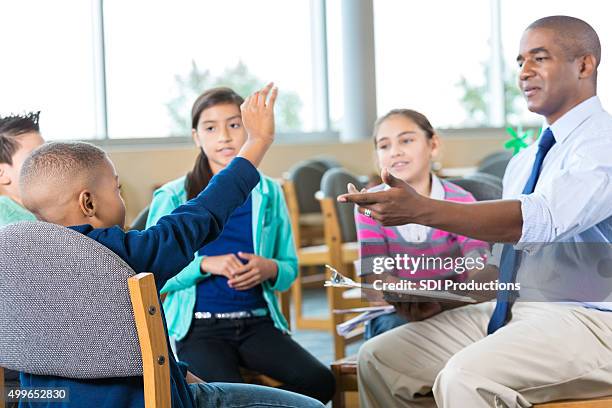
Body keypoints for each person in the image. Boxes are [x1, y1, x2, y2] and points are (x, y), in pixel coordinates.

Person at [339, 16, 612, 407]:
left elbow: (537, 219)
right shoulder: (525, 161)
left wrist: (423, 210)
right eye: (520, 62)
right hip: (520, 309)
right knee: (382, 358)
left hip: (591, 320)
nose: (524, 73)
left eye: (539, 58)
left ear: (584, 65)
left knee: (466, 377)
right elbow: (504, 265)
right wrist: (444, 295)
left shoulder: (603, 144)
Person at [17, 84, 324, 408]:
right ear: (88, 203)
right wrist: (258, 141)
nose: (121, 198)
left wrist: (182, 374)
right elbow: (204, 211)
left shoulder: (18, 259)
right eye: (117, 188)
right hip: (147, 398)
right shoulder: (120, 254)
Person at [146, 87, 335, 403]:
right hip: (200, 330)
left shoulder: (270, 193)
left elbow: (289, 270)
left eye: (234, 124)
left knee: (321, 382)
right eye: (211, 128)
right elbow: (153, 272)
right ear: (196, 137)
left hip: (257, 323)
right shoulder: (173, 196)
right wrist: (205, 264)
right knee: (225, 398)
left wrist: (269, 267)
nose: (224, 137)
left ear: (249, 128)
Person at [356, 109, 489, 339]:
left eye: (406, 140)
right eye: (384, 145)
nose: (395, 152)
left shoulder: (462, 200)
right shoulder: (370, 206)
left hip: (455, 307)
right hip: (396, 315)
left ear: (433, 145)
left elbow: (480, 269)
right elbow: (376, 279)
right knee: (396, 333)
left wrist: (442, 299)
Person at [0, 112, 44, 227]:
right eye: (35, 157)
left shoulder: (38, 212)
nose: (48, 163)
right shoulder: (7, 221)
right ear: (1, 173)